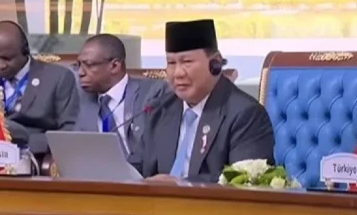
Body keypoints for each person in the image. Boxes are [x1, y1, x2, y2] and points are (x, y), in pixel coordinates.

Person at [139, 19, 275, 183]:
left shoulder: (245, 114)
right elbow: (137, 167)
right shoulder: (159, 109)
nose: (178, 73)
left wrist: (181, 185)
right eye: (171, 63)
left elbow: (244, 181)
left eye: (187, 62)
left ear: (215, 63)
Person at [0, 21, 79, 155]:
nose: (1, 65)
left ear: (25, 51)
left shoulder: (58, 78)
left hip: (35, 155)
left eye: (7, 59)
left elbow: (68, 130)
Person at [75, 34, 167, 164]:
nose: (80, 72)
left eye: (89, 65)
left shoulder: (151, 94)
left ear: (115, 66)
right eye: (78, 65)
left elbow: (156, 151)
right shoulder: (80, 97)